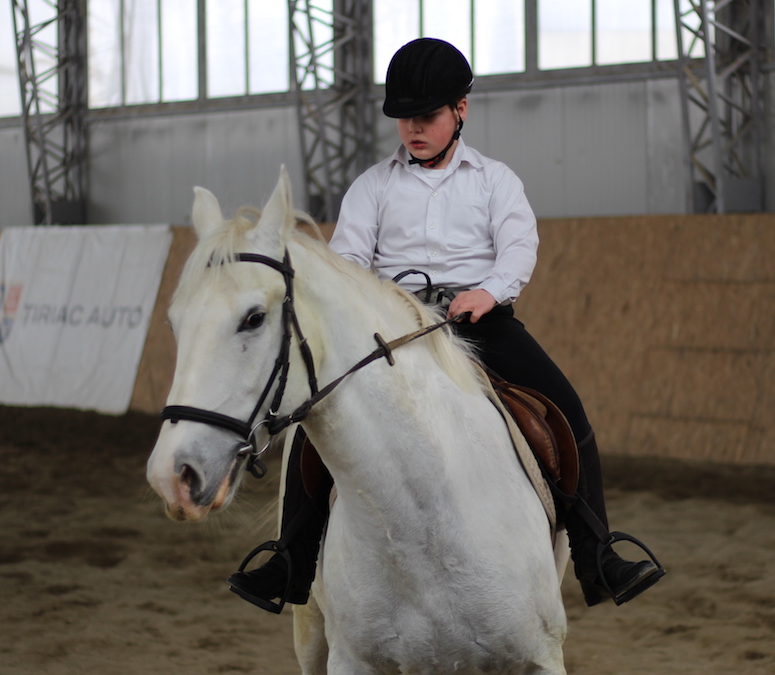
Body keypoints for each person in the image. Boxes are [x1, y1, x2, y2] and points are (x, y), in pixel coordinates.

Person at [228, 37, 664, 612]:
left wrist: (488, 292)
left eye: (427, 116)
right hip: (392, 335)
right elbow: (350, 262)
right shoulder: (373, 187)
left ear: (461, 110)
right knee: (317, 423)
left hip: (479, 324)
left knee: (564, 407)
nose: (414, 128)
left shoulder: (495, 181)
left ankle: (596, 554)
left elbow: (518, 249)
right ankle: (291, 561)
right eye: (405, 117)